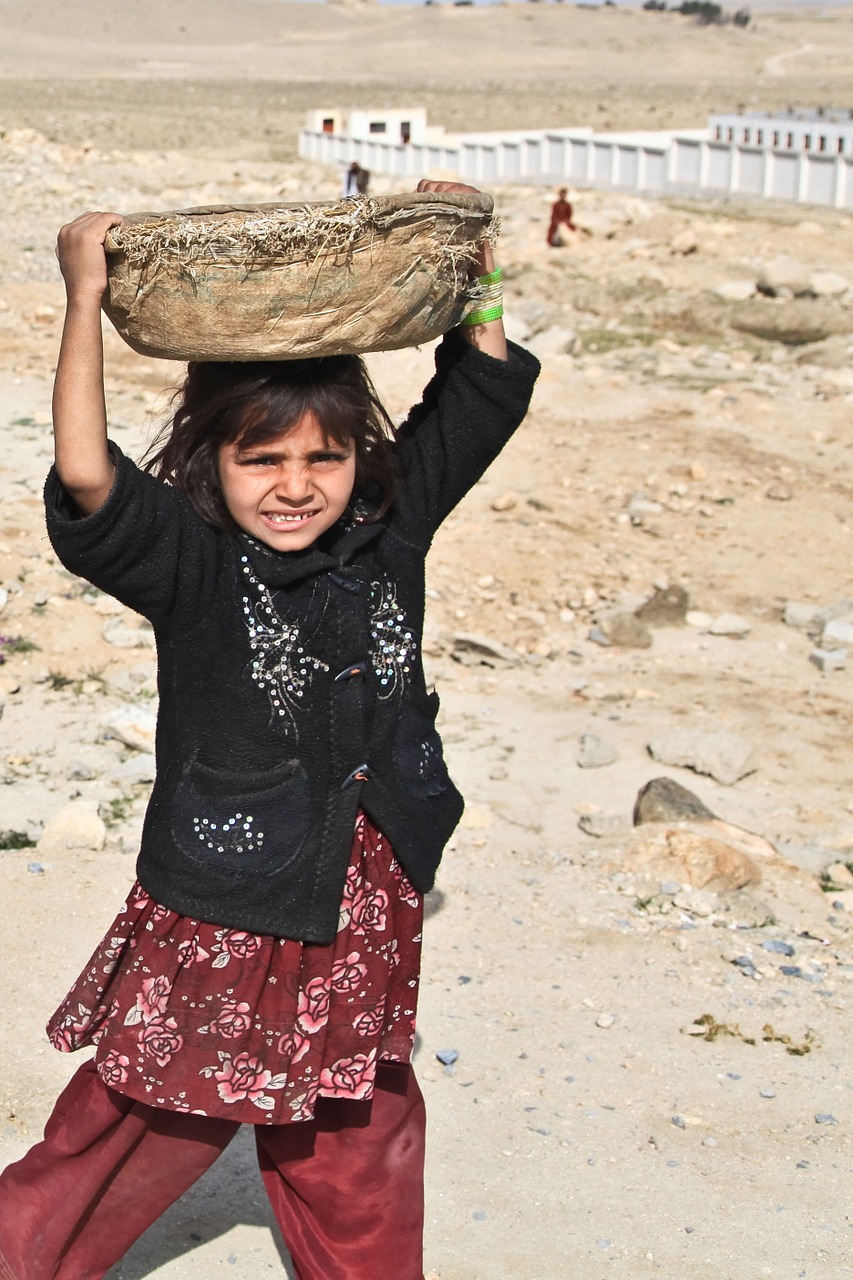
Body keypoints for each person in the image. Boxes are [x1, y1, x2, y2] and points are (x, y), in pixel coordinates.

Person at [0, 180, 539, 1280]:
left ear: (361, 462)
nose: (295, 487)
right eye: (262, 460)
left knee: (358, 1111)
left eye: (322, 460)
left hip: (367, 885)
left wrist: (473, 266)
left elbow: (479, 393)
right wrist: (83, 295)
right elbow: (90, 472)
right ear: (213, 464)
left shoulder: (389, 529)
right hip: (228, 897)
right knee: (151, 1110)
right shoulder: (193, 565)